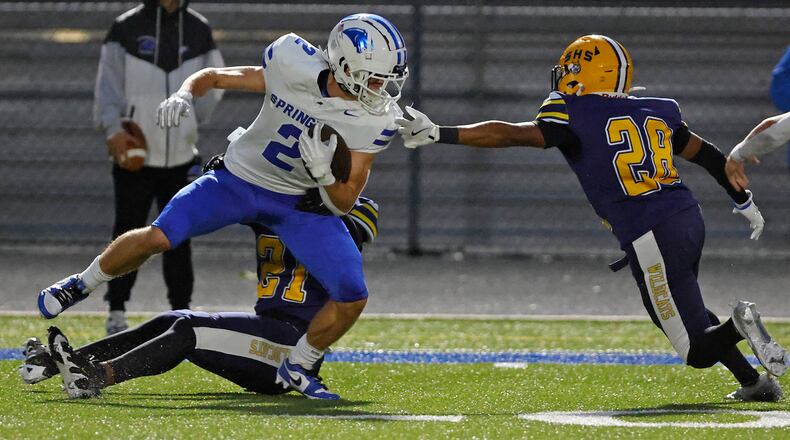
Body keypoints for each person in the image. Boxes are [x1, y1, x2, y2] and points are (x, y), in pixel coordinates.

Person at [396, 34, 787, 401]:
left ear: (583, 73)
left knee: (694, 349)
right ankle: (753, 382)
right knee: (690, 310)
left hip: (649, 230)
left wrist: (439, 133)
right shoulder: (657, 110)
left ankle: (740, 325)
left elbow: (511, 134)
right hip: (686, 217)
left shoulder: (574, 110)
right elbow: (708, 156)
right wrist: (743, 201)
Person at [39, 13, 407, 400]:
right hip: (239, 181)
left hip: (297, 203)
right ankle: (79, 285)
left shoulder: (374, 119)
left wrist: (321, 172)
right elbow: (216, 77)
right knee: (160, 235)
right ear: (344, 64)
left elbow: (346, 200)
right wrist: (185, 92)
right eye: (376, 77)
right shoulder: (292, 61)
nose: (381, 89)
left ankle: (300, 364)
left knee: (353, 293)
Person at [20, 197, 379, 399]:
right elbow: (241, 199)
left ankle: (97, 377)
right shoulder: (287, 219)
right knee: (173, 319)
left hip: (288, 353)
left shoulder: (337, 253)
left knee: (192, 331)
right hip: (270, 333)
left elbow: (345, 230)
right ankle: (56, 364)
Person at [93, 0, 225, 334]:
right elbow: (107, 84)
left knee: (179, 239)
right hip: (135, 157)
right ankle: (116, 311)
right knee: (127, 233)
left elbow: (214, 84)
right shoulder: (125, 28)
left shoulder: (199, 29)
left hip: (182, 158)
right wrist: (113, 130)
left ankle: (181, 312)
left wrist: (191, 122)